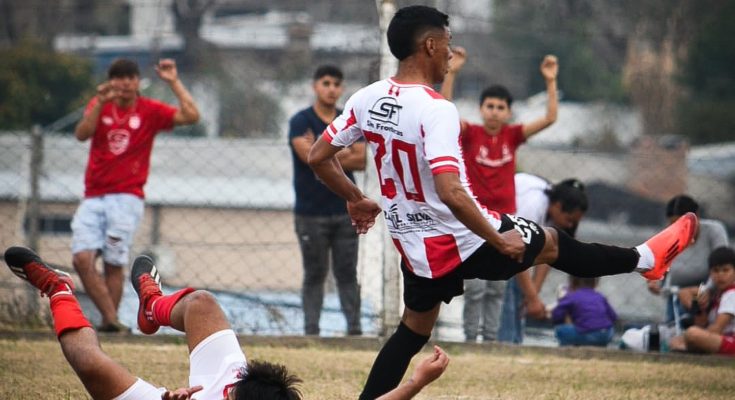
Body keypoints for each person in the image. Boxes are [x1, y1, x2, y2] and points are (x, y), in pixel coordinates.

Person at [305, 5, 697, 398]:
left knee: (413, 329)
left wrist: (356, 198)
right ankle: (645, 260)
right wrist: (496, 238)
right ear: (429, 45)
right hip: (460, 237)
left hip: (413, 243)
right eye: (448, 43)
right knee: (553, 242)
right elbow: (451, 192)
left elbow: (318, 156)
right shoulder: (436, 109)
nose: (449, 52)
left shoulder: (366, 98)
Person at [3, 246, 449, 399]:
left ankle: (58, 289)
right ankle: (153, 305)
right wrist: (418, 381)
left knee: (87, 360)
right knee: (201, 302)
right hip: (228, 383)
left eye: (232, 391)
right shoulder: (239, 385)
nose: (229, 389)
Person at [439, 47, 559, 344]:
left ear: (508, 112)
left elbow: (550, 118)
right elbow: (443, 111)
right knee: (476, 287)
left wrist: (550, 81)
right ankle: (469, 340)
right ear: (481, 109)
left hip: (507, 220)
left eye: (500, 107)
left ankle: (491, 342)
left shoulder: (513, 136)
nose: (494, 111)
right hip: (476, 218)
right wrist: (452, 72)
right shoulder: (470, 134)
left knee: (498, 287)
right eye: (489, 106)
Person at [71, 58, 200, 332]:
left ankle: (109, 322)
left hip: (127, 196)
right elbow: (82, 134)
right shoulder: (100, 104)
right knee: (81, 259)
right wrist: (99, 103)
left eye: (130, 77)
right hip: (93, 195)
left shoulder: (149, 110)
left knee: (113, 263)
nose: (125, 83)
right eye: (119, 77)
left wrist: (173, 81)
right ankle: (111, 318)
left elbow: (191, 115)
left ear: (138, 81)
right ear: (110, 81)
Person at [288, 65, 366, 336]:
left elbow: (363, 158)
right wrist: (341, 150)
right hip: (310, 213)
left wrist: (322, 150)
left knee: (347, 273)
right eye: (326, 83)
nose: (331, 89)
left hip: (346, 209)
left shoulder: (348, 119)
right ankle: (311, 331)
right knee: (315, 274)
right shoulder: (300, 121)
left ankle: (354, 331)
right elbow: (307, 159)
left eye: (336, 84)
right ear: (315, 86)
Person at [499, 173, 589, 343]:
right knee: (510, 289)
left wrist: (534, 293)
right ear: (557, 205)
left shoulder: (553, 213)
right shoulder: (533, 206)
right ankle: (506, 341)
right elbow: (518, 256)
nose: (570, 226)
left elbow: (547, 254)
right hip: (502, 237)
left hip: (514, 247)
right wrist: (532, 298)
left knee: (523, 291)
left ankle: (514, 341)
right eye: (569, 219)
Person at [647, 195, 729, 329]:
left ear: (696, 216)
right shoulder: (668, 237)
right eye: (673, 225)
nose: (678, 230)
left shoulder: (714, 231)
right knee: (677, 312)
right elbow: (660, 274)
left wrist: (705, 290)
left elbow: (723, 265)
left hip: (709, 290)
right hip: (676, 295)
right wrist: (654, 280)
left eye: (683, 224)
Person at [668, 246, 735, 356]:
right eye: (716, 271)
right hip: (721, 339)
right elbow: (685, 292)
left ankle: (689, 348)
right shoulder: (717, 293)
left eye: (726, 270)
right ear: (710, 274)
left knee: (692, 334)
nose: (720, 275)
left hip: (730, 341)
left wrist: (692, 336)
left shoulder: (731, 294)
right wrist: (698, 311)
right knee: (678, 339)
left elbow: (717, 329)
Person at [551, 276, 617, 347]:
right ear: (595, 283)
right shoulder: (600, 296)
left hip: (588, 335)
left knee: (560, 330)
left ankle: (571, 346)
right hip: (606, 335)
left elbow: (556, 315)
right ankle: (599, 344)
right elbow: (613, 317)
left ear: (571, 282)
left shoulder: (571, 296)